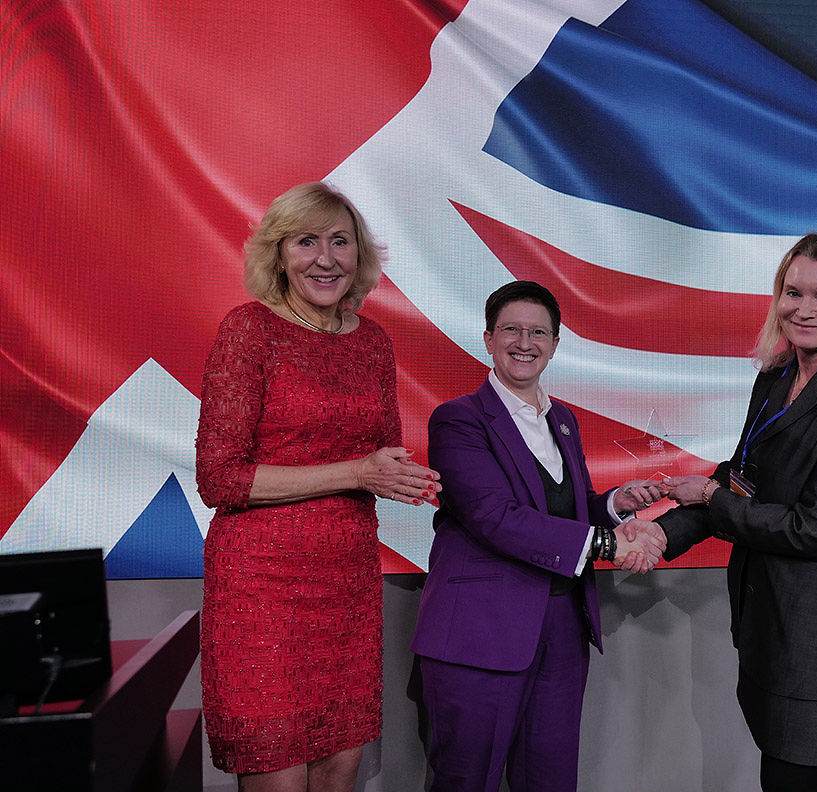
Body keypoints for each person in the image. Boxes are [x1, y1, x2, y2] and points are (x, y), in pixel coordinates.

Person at [195, 182, 441, 792]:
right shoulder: (248, 332)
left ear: (360, 255)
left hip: (348, 585)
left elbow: (381, 452)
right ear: (278, 254)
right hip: (262, 588)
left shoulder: (373, 342)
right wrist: (357, 473)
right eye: (307, 242)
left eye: (341, 241)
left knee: (340, 770)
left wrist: (405, 477)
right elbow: (219, 477)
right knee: (277, 775)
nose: (326, 258)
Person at [659, 232, 817, 792]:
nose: (805, 309)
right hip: (764, 617)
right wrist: (660, 535)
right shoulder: (774, 378)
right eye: (793, 292)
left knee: (797, 777)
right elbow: (741, 480)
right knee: (783, 776)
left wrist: (711, 500)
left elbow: (813, 528)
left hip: (816, 632)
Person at [411, 280, 667, 792]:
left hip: (561, 631)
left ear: (554, 344)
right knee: (466, 781)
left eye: (538, 332)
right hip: (479, 637)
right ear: (487, 338)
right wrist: (608, 546)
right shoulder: (458, 420)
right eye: (511, 330)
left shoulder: (563, 421)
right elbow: (494, 516)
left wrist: (615, 507)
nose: (524, 342)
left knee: (550, 782)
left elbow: (565, 514)